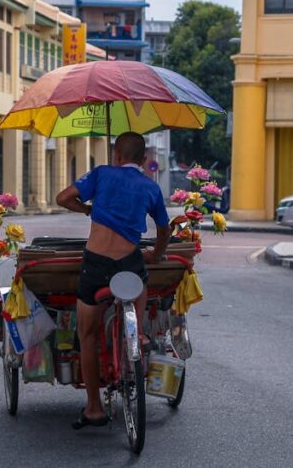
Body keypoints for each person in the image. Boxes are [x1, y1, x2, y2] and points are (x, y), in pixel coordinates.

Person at [55, 132, 171, 430]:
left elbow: (64, 198)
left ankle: (93, 408)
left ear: (116, 155)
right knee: (140, 281)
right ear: (144, 160)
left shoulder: (102, 173)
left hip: (95, 265)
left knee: (88, 335)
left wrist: (87, 209)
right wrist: (156, 255)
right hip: (128, 263)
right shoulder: (150, 186)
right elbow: (163, 229)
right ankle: (140, 329)